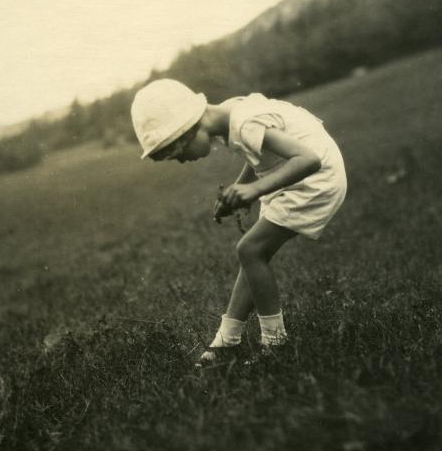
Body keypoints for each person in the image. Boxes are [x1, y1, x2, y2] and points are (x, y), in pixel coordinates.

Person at [130, 79, 347, 367]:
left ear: (190, 130)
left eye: (179, 153)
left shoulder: (244, 123)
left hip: (314, 179)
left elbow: (309, 159)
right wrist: (241, 188)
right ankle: (227, 340)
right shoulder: (229, 116)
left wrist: (255, 190)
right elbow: (255, 152)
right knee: (253, 254)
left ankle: (275, 343)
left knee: (250, 250)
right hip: (289, 174)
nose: (182, 161)